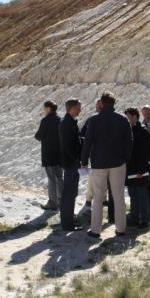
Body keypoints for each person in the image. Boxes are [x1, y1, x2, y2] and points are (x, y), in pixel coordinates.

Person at [81, 91, 132, 238]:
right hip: (118, 163)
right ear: (114, 103)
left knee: (98, 196)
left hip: (99, 163)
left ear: (101, 103)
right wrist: (125, 159)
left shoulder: (94, 120)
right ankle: (120, 229)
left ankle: (96, 230)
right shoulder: (123, 120)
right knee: (118, 196)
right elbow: (129, 143)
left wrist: (84, 161)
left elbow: (87, 142)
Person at [125, 108, 150, 230]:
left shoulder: (143, 132)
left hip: (141, 171)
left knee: (142, 195)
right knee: (133, 194)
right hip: (130, 170)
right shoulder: (128, 131)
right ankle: (134, 218)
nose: (126, 119)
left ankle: (144, 220)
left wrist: (141, 170)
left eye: (128, 116)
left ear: (134, 117)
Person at [58, 98, 83, 231]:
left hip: (70, 163)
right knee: (69, 193)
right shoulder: (67, 123)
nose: (80, 110)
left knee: (70, 193)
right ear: (72, 108)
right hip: (71, 164)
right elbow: (68, 145)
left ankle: (67, 221)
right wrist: (76, 159)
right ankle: (68, 224)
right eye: (79, 107)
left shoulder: (68, 121)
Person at [35, 101, 62, 211]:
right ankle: (61, 201)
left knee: (51, 178)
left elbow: (38, 136)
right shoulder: (60, 120)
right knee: (60, 178)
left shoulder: (45, 121)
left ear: (49, 108)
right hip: (59, 154)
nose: (44, 110)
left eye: (44, 108)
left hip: (49, 154)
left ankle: (52, 202)